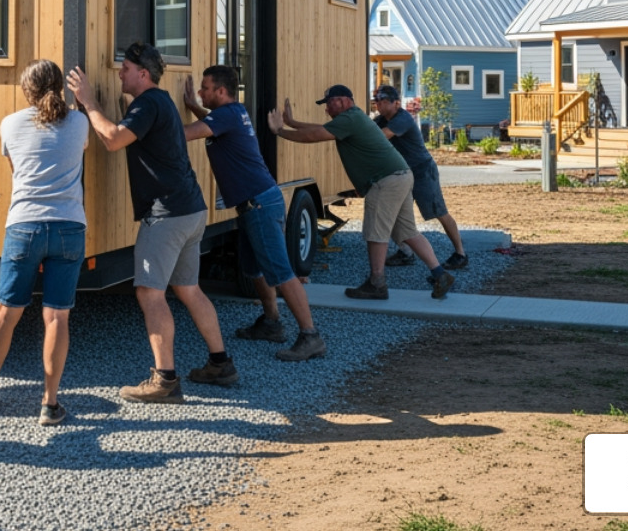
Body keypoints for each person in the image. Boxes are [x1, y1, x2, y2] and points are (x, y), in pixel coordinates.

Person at [67, 43, 235, 403]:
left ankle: (165, 381)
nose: (120, 73)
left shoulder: (147, 105)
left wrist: (89, 102)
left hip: (168, 215)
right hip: (191, 209)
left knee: (149, 293)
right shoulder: (159, 102)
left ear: (143, 74)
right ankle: (220, 363)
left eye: (126, 69)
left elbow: (113, 140)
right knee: (189, 289)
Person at [181, 66, 325, 362]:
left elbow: (186, 134)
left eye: (205, 88)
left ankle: (310, 336)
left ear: (221, 91)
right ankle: (272, 323)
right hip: (255, 203)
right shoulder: (233, 113)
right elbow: (210, 122)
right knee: (254, 268)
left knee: (282, 273)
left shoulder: (225, 115)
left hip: (259, 204)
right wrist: (194, 106)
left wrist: (147, 123)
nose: (201, 92)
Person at [0, 60, 90, 427]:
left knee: (6, 313)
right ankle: (49, 404)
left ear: (27, 90)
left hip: (24, 226)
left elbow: (18, 174)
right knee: (56, 316)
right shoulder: (80, 122)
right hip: (69, 226)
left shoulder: (9, 124)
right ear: (59, 86)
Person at [268, 84, 455, 301]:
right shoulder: (352, 118)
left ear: (343, 101)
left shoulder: (349, 118)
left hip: (385, 180)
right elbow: (320, 128)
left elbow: (316, 135)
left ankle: (377, 283)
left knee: (376, 232)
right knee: (407, 232)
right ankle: (440, 274)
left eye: (329, 103)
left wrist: (280, 131)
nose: (327, 109)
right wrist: (292, 123)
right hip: (401, 175)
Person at [372, 84, 468, 269]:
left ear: (396, 103)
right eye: (376, 101)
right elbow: (368, 130)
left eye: (382, 101)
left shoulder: (403, 118)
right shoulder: (381, 120)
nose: (378, 105)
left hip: (422, 171)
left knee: (439, 212)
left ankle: (460, 253)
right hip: (402, 174)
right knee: (395, 213)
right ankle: (405, 252)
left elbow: (381, 136)